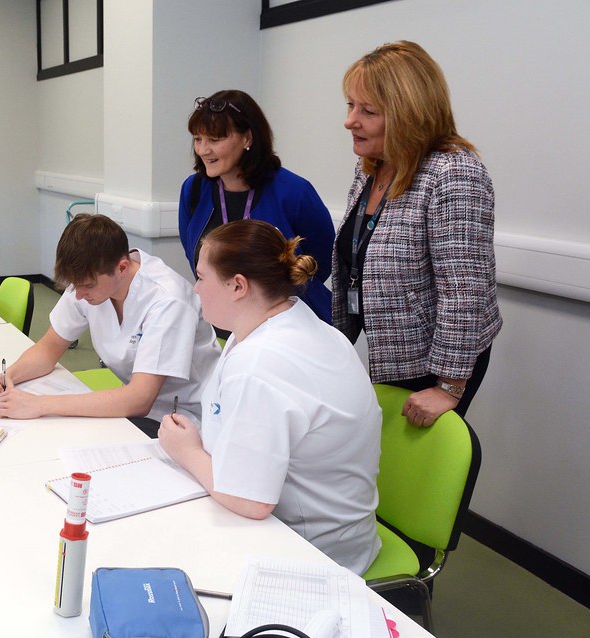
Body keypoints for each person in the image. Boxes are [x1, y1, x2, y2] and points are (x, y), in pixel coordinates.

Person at [159, 220, 381, 576]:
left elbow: (250, 500)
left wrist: (187, 452)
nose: (195, 289)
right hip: (338, 529)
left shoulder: (260, 363)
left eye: (201, 277)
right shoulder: (286, 321)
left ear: (238, 286)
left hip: (312, 553)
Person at [336, 41, 502, 426]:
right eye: (350, 105)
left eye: (368, 111)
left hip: (438, 364)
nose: (350, 121)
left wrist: (449, 387)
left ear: (409, 114)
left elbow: (464, 291)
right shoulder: (371, 167)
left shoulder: (453, 173)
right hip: (393, 350)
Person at [0, 213, 219, 437]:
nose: (78, 295)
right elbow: (47, 350)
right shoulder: (89, 282)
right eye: (75, 285)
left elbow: (139, 399)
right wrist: (7, 377)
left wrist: (39, 404)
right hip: (135, 407)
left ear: (122, 268)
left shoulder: (167, 300)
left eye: (87, 286)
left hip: (187, 418)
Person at [178, 90, 335, 324]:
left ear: (247, 138)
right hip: (225, 325)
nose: (203, 150)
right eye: (198, 139)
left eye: (214, 139)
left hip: (287, 327)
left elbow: (322, 261)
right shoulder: (193, 190)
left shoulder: (294, 191)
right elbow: (198, 261)